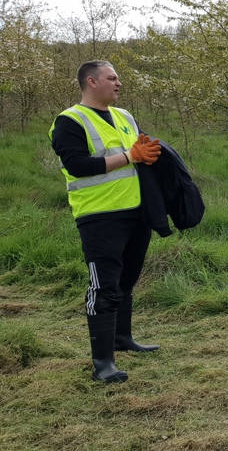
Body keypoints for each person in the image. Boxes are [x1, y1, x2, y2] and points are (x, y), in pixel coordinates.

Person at [49, 60, 163, 383]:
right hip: (99, 216)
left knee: (126, 280)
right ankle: (103, 364)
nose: (119, 84)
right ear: (91, 81)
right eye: (112, 78)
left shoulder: (125, 116)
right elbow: (78, 165)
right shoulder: (70, 121)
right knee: (104, 285)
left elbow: (143, 151)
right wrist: (129, 156)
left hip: (135, 211)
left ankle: (122, 339)